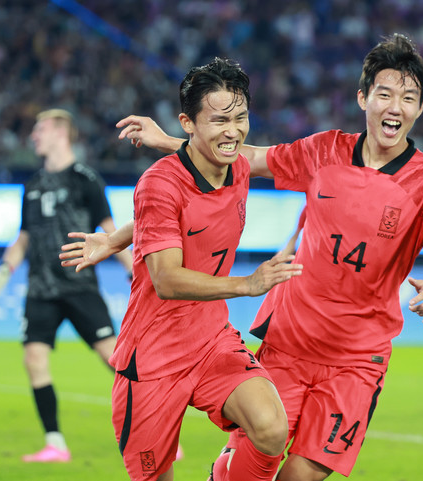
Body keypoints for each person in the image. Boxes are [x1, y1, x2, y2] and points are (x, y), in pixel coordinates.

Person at [65, 34, 423, 480]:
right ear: (363, 98)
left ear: (420, 108)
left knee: (299, 472)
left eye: (408, 99)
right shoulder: (324, 150)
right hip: (288, 341)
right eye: (385, 94)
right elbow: (237, 157)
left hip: (357, 357)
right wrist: (171, 146)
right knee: (244, 445)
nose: (395, 107)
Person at [73, 57, 302, 481]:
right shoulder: (158, 183)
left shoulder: (237, 167)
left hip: (211, 340)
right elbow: (166, 279)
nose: (232, 131)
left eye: (240, 118)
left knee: (271, 427)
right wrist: (247, 284)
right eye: (219, 120)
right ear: (188, 122)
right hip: (153, 357)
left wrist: (117, 238)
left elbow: (204, 185)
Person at [0, 108, 134, 463]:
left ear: (60, 133)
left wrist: (136, 271)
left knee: (114, 358)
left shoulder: (86, 179)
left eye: (40, 129)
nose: (33, 136)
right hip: (40, 289)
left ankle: (158, 427)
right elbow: (23, 238)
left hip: (80, 285)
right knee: (33, 358)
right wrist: (5, 269)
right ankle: (55, 443)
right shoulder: (33, 186)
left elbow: (111, 233)